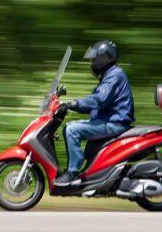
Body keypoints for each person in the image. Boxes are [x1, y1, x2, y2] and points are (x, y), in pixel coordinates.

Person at [54, 40, 135, 186]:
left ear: (104, 58)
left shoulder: (115, 75)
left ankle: (72, 173)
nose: (92, 63)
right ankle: (90, 177)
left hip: (114, 123)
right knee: (84, 141)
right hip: (109, 121)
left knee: (71, 129)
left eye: (93, 59)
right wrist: (67, 106)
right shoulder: (110, 75)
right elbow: (96, 103)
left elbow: (99, 100)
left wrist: (72, 104)